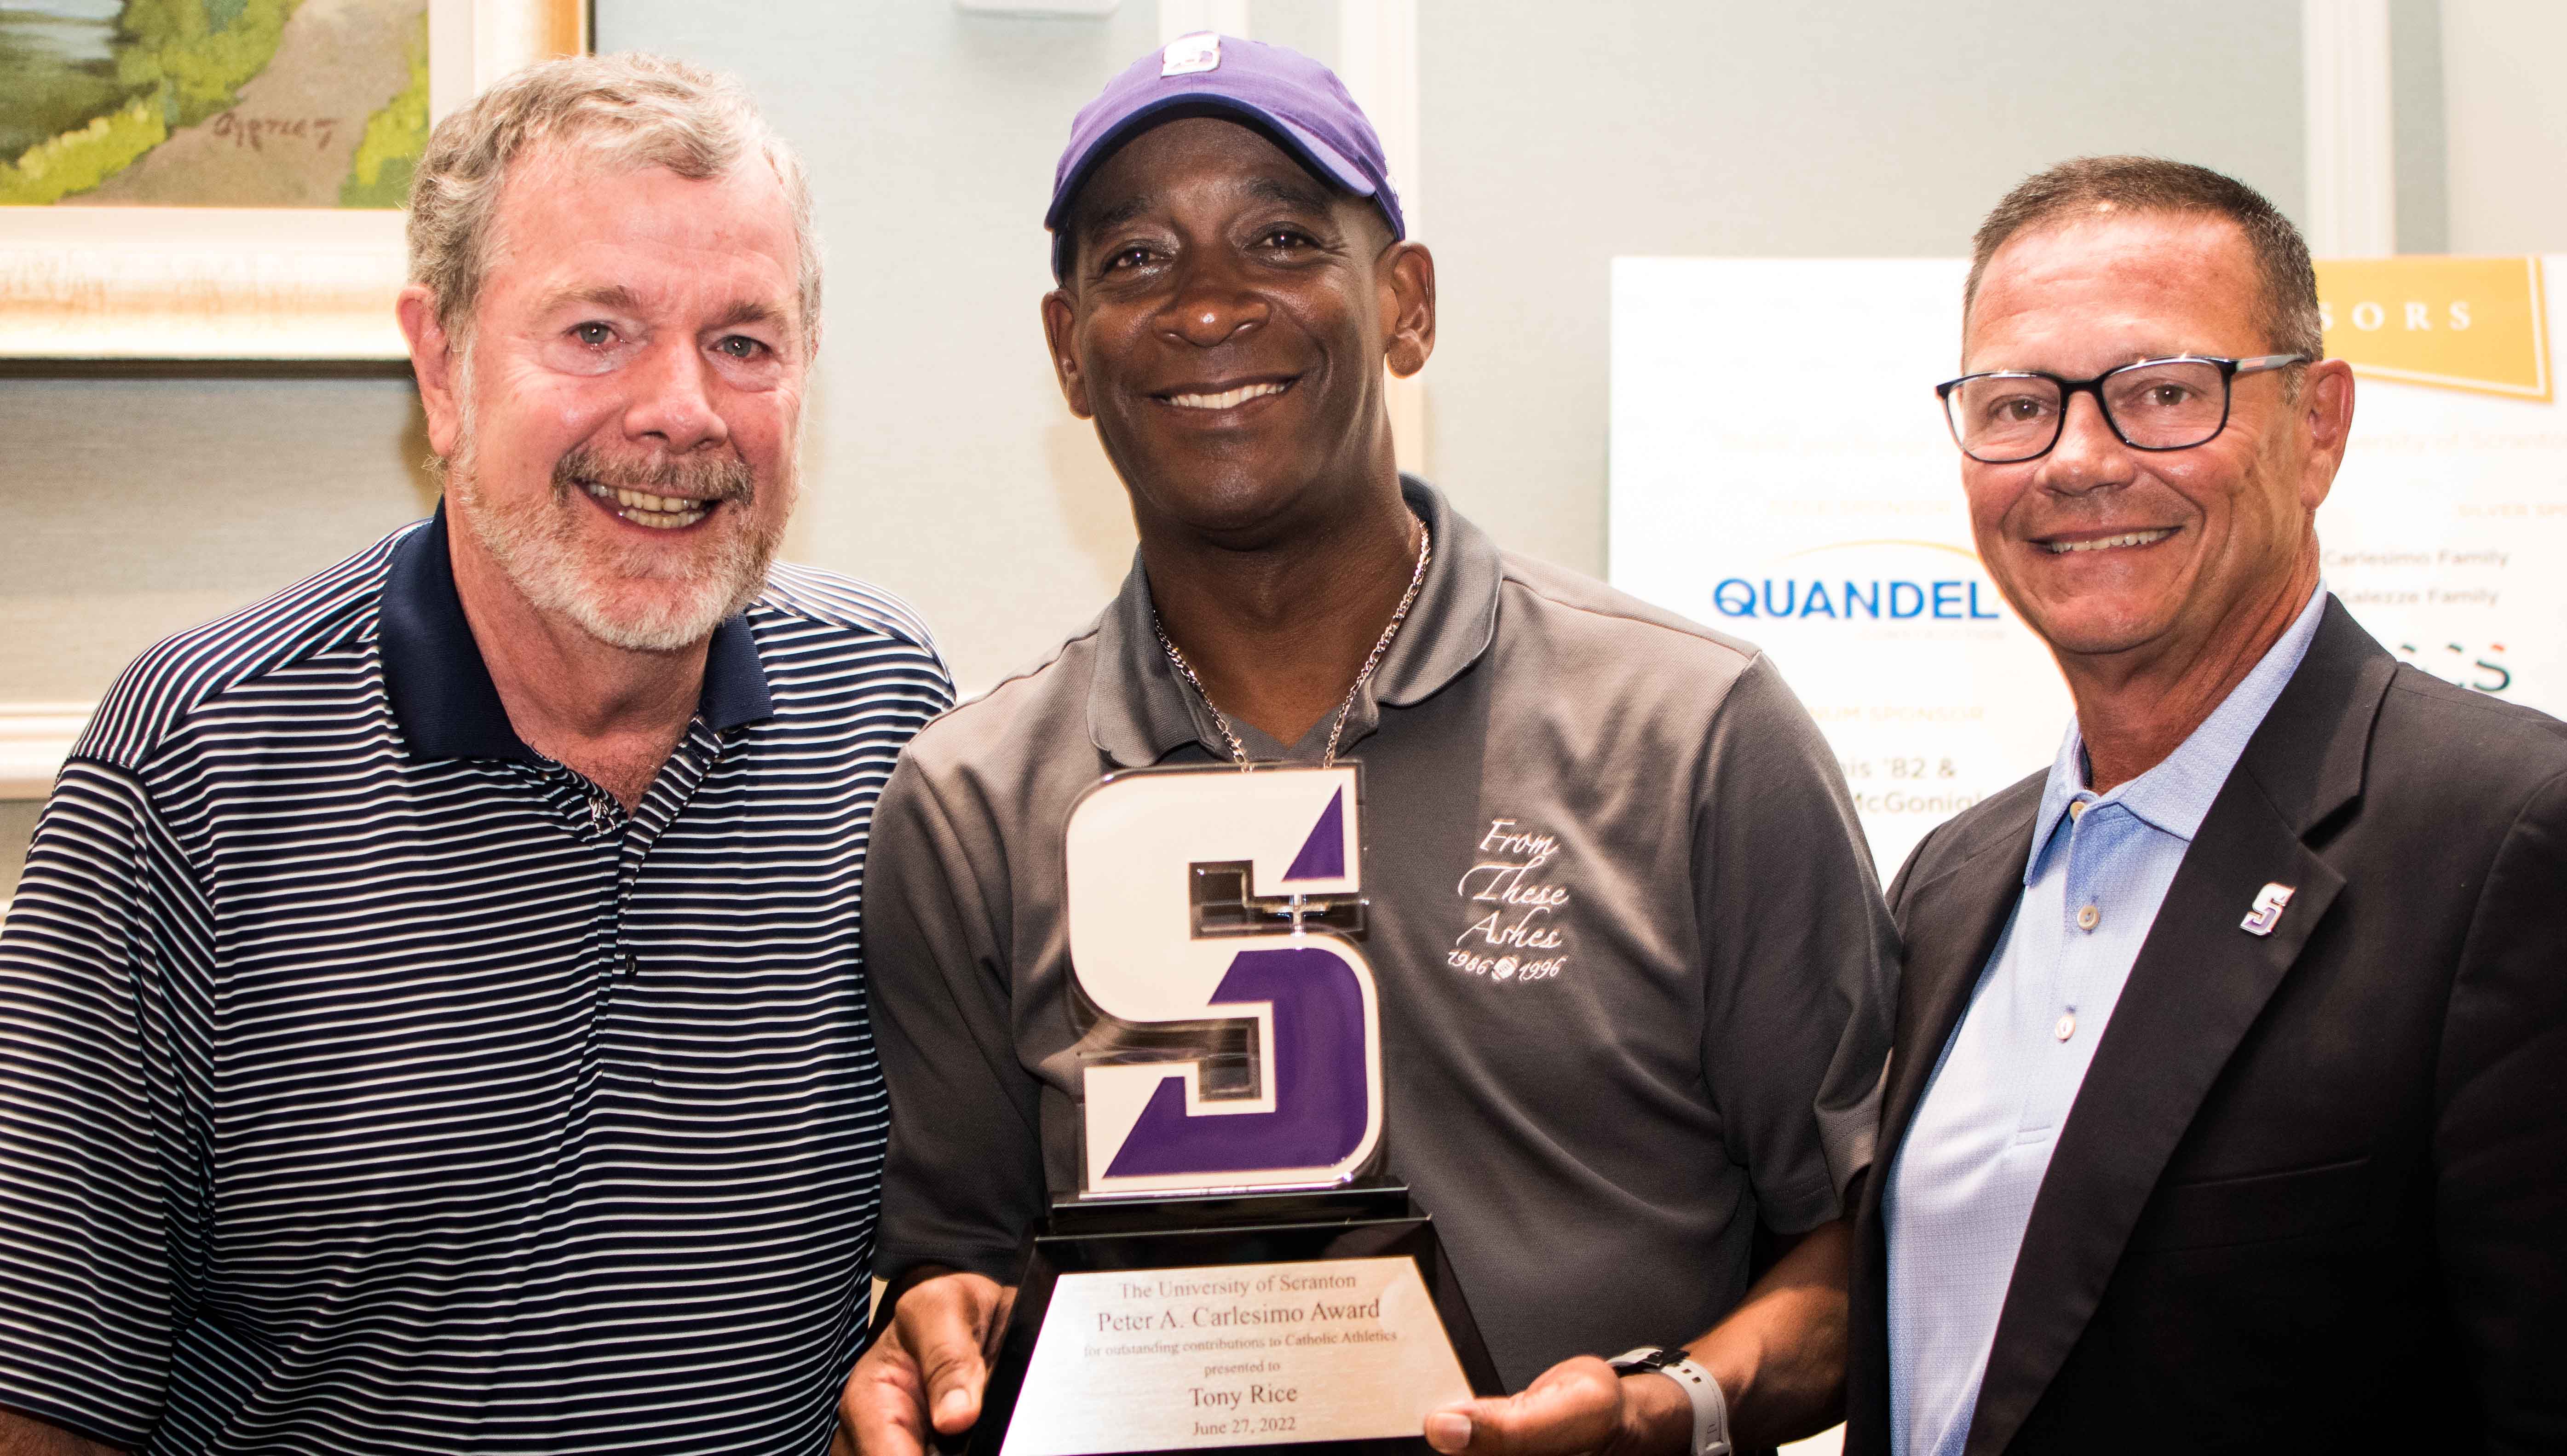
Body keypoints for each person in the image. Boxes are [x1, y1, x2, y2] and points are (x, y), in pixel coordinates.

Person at [839, 35, 1893, 1456]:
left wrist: (1672, 1410)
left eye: (1280, 239)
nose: (1206, 307)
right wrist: (937, 1341)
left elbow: (1857, 1252)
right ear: (1066, 350)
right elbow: (956, 1257)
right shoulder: (971, 806)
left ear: (1406, 306)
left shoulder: (1692, 730)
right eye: (1134, 260)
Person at [0, 55, 950, 1456]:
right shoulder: (193, 770)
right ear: (441, 366)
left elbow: (955, 1224)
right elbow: (46, 1392)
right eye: (597, 331)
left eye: (744, 341)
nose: (681, 409)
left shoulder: (885, 710)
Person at [1846, 157, 2567, 1455]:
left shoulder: (2513, 838)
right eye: (2014, 406)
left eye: (2162, 394)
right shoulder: (1955, 883)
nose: (2076, 461)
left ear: (2319, 426)